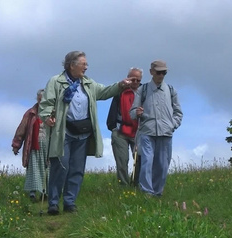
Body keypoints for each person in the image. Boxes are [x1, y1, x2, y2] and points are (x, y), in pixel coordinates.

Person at [39, 50, 133, 215]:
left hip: (82, 134)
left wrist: (120, 85)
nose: (86, 67)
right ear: (72, 65)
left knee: (77, 169)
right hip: (63, 132)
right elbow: (47, 103)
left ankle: (70, 203)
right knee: (60, 167)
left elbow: (104, 92)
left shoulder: (88, 83)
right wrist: (47, 117)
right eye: (84, 64)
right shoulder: (56, 81)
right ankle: (53, 203)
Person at [129, 60, 183, 197]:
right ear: (151, 72)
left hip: (166, 133)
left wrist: (173, 125)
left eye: (164, 72)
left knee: (163, 165)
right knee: (147, 161)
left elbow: (178, 112)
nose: (161, 75)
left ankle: (157, 193)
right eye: (158, 72)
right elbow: (132, 111)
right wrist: (137, 113)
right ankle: (147, 192)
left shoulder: (171, 90)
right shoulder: (143, 89)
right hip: (147, 132)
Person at [106, 67, 143, 185]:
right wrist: (112, 127)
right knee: (122, 160)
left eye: (138, 80)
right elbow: (113, 109)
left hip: (138, 131)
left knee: (140, 159)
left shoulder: (144, 92)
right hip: (120, 129)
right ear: (128, 78)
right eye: (133, 79)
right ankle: (123, 186)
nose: (136, 82)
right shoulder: (119, 91)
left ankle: (137, 184)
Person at [12, 89, 48, 202]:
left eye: (43, 99)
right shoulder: (31, 113)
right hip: (33, 146)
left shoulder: (52, 112)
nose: (41, 101)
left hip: (48, 146)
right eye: (39, 99)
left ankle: (46, 192)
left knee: (48, 169)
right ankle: (33, 193)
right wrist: (16, 145)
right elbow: (21, 129)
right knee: (33, 168)